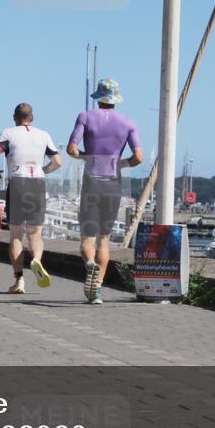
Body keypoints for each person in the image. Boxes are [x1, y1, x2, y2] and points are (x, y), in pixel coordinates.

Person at [67, 79, 143, 304]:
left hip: (92, 181)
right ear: (116, 99)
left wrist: (86, 157)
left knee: (87, 237)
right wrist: (121, 164)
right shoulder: (128, 122)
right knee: (104, 239)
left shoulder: (86, 117)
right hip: (112, 183)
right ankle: (97, 289)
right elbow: (138, 157)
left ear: (98, 97)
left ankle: (89, 264)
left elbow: (71, 148)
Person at [0, 103, 62, 294]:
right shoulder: (43, 135)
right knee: (35, 233)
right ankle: (36, 259)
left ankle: (19, 280)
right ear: (32, 117)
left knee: (16, 235)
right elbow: (57, 162)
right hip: (37, 183)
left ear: (14, 117)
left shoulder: (9, 133)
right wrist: (42, 171)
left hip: (18, 182)